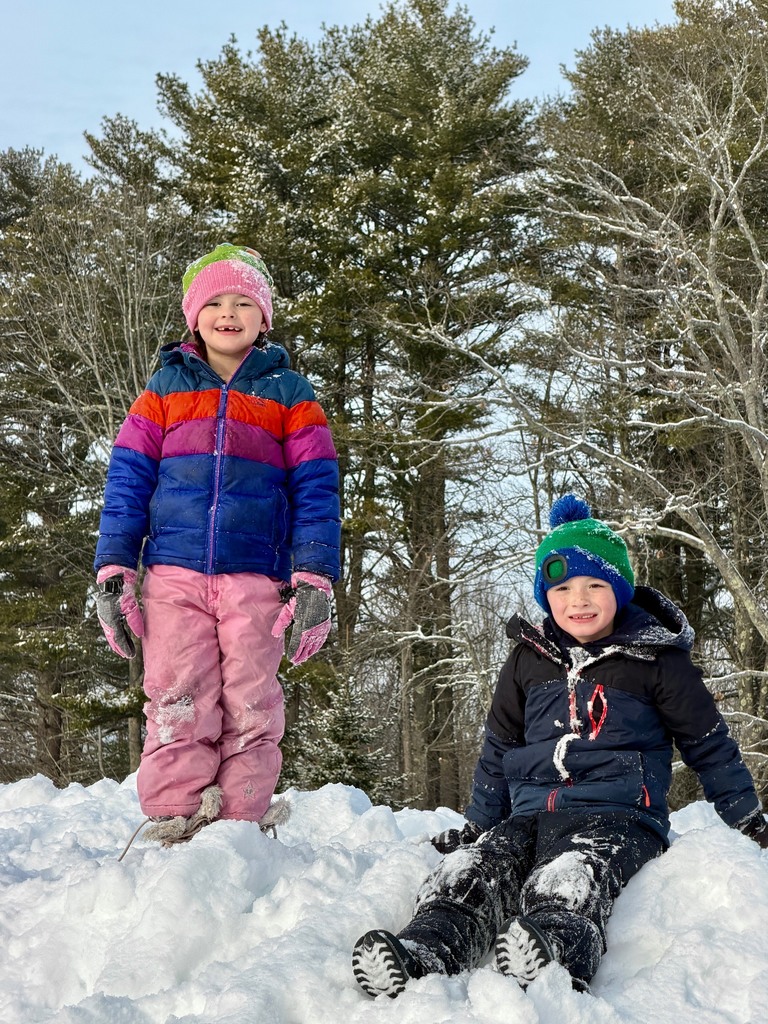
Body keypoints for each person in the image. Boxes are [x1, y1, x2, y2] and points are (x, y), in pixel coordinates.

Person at [352, 494, 768, 997]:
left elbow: (709, 743)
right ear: (545, 595)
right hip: (529, 815)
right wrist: (478, 827)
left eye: (596, 584)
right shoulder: (527, 660)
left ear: (620, 589)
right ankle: (424, 951)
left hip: (618, 817)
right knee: (474, 871)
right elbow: (499, 746)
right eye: (563, 587)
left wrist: (746, 818)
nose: (580, 600)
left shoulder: (655, 660)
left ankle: (553, 955)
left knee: (572, 878)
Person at [94, 243, 341, 846]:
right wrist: (115, 567)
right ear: (193, 316)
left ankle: (238, 828)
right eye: (215, 302)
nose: (228, 313)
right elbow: (127, 482)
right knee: (178, 695)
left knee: (252, 701)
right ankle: (175, 818)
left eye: (243, 302)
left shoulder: (290, 394)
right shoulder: (162, 391)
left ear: (264, 318)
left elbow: (316, 488)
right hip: (173, 573)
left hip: (256, 575)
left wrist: (313, 577)